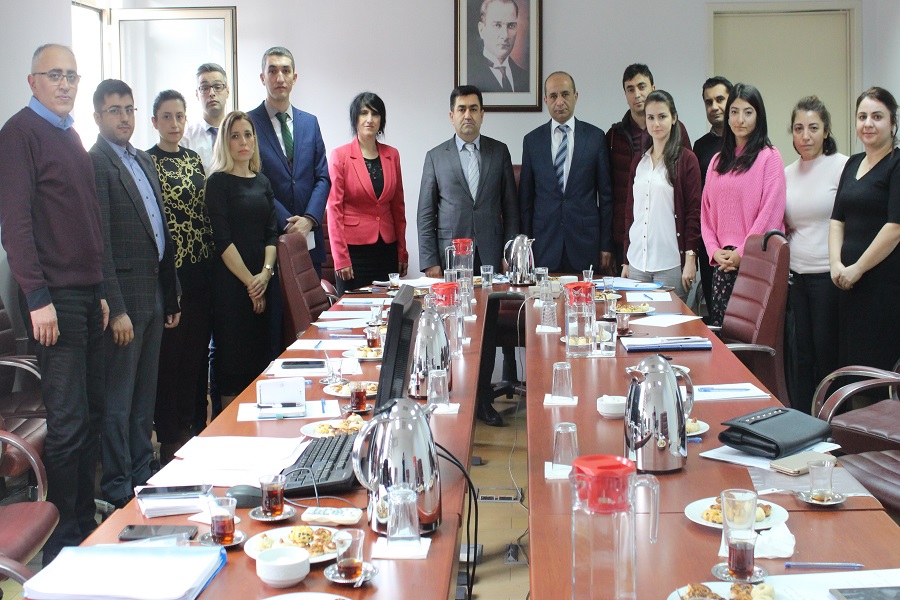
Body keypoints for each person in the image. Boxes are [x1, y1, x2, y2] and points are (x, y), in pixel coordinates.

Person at [0, 44, 107, 564]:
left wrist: (101, 291)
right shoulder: (19, 134)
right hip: (53, 300)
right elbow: (16, 226)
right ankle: (63, 548)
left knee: (87, 418)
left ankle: (84, 526)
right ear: (33, 81)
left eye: (72, 76)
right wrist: (37, 298)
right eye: (55, 75)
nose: (65, 84)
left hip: (85, 295)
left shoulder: (69, 134)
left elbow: (87, 222)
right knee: (66, 426)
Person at [90, 79, 181, 508]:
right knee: (119, 400)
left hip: (155, 294)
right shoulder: (95, 163)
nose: (124, 117)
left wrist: (172, 293)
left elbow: (160, 231)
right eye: (115, 110)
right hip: (124, 304)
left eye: (129, 109)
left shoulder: (142, 159)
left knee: (145, 396)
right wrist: (117, 309)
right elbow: (101, 244)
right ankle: (117, 485)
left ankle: (142, 473)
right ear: (97, 117)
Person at [417, 84, 519, 426]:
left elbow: (511, 208)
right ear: (451, 115)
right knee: (451, 331)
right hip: (450, 261)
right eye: (461, 109)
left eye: (474, 109)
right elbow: (425, 213)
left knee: (487, 331)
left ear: (482, 114)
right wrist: (430, 262)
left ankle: (483, 399)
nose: (468, 115)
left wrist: (509, 253)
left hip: (490, 257)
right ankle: (452, 395)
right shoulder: (436, 156)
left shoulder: (499, 152)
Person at [248, 46, 330, 357]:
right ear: (262, 77)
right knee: (276, 325)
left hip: (309, 239)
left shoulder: (310, 122)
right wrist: (288, 222)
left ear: (295, 77)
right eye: (272, 71)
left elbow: (323, 177)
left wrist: (309, 219)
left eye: (285, 71)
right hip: (271, 238)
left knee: (310, 323)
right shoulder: (249, 124)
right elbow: (255, 178)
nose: (279, 77)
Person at [147, 89, 214, 462]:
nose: (174, 124)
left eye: (179, 116)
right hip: (171, 273)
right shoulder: (147, 162)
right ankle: (171, 438)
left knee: (196, 357)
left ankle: (195, 429)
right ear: (154, 121)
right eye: (166, 117)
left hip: (201, 270)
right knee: (170, 360)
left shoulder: (193, 159)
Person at [206, 111, 278, 405]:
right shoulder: (217, 183)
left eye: (248, 134)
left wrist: (265, 275)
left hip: (264, 281)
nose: (243, 141)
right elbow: (222, 241)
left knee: (261, 362)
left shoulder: (262, 182)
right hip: (232, 288)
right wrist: (251, 283)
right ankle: (228, 427)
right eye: (235, 136)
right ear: (225, 142)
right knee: (232, 365)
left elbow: (271, 235)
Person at [701, 83, 786, 327]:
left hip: (755, 264)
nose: (740, 119)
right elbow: (706, 212)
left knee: (752, 339)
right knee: (724, 337)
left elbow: (770, 213)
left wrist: (741, 253)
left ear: (759, 117)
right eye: (735, 112)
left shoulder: (769, 156)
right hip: (723, 264)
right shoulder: (717, 161)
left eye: (748, 112)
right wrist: (713, 250)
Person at [783, 96, 847, 413]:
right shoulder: (786, 173)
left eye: (813, 128)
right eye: (799, 128)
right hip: (796, 277)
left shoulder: (842, 166)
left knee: (827, 353)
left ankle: (833, 420)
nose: (805, 136)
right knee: (801, 354)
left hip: (828, 276)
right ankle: (803, 421)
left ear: (826, 131)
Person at [829, 87, 900, 373]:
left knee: (876, 367)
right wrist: (836, 264)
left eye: (877, 117)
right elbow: (837, 219)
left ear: (893, 123)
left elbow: (895, 228)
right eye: (862, 116)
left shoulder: (896, 164)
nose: (868, 123)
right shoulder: (852, 163)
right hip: (847, 284)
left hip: (882, 286)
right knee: (849, 361)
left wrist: (857, 268)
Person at [519, 71, 613, 272]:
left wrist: (606, 244)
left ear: (576, 96)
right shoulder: (532, 141)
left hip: (585, 243)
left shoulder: (595, 138)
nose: (559, 102)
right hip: (544, 243)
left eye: (565, 94)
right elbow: (525, 202)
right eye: (553, 96)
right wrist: (526, 247)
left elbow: (606, 197)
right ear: (546, 100)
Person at [608, 64, 691, 272]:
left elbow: (688, 191)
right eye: (630, 89)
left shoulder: (677, 131)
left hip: (668, 239)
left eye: (642, 86)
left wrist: (690, 253)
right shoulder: (614, 136)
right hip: (628, 237)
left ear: (653, 88)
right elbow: (610, 192)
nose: (637, 94)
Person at [622, 90, 701, 303]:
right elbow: (631, 213)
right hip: (637, 262)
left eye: (662, 116)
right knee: (637, 321)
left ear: (674, 118)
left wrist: (690, 258)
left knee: (669, 322)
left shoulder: (687, 160)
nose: (656, 123)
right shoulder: (639, 161)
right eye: (650, 117)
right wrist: (625, 260)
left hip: (670, 263)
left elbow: (694, 213)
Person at [326, 92, 408, 295]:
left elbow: (398, 208)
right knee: (353, 308)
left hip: (387, 250)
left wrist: (402, 252)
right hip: (354, 254)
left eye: (375, 114)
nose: (369, 119)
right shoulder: (340, 156)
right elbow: (334, 211)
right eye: (364, 113)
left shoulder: (392, 155)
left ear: (382, 120)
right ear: (355, 118)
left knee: (388, 307)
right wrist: (340, 258)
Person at [692, 76, 733, 313]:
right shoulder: (700, 146)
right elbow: (699, 200)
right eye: (709, 102)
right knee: (715, 312)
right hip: (709, 245)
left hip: (740, 248)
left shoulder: (748, 144)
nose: (714, 107)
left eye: (720, 99)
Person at [468, 0, 528, 93]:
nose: (505, 35)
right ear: (481, 30)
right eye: (497, 25)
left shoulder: (525, 77)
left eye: (511, 26)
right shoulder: (469, 74)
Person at [181, 63, 229, 172]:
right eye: (205, 88)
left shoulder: (240, 135)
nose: (211, 93)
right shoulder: (186, 140)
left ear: (227, 91)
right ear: (197, 94)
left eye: (217, 87)